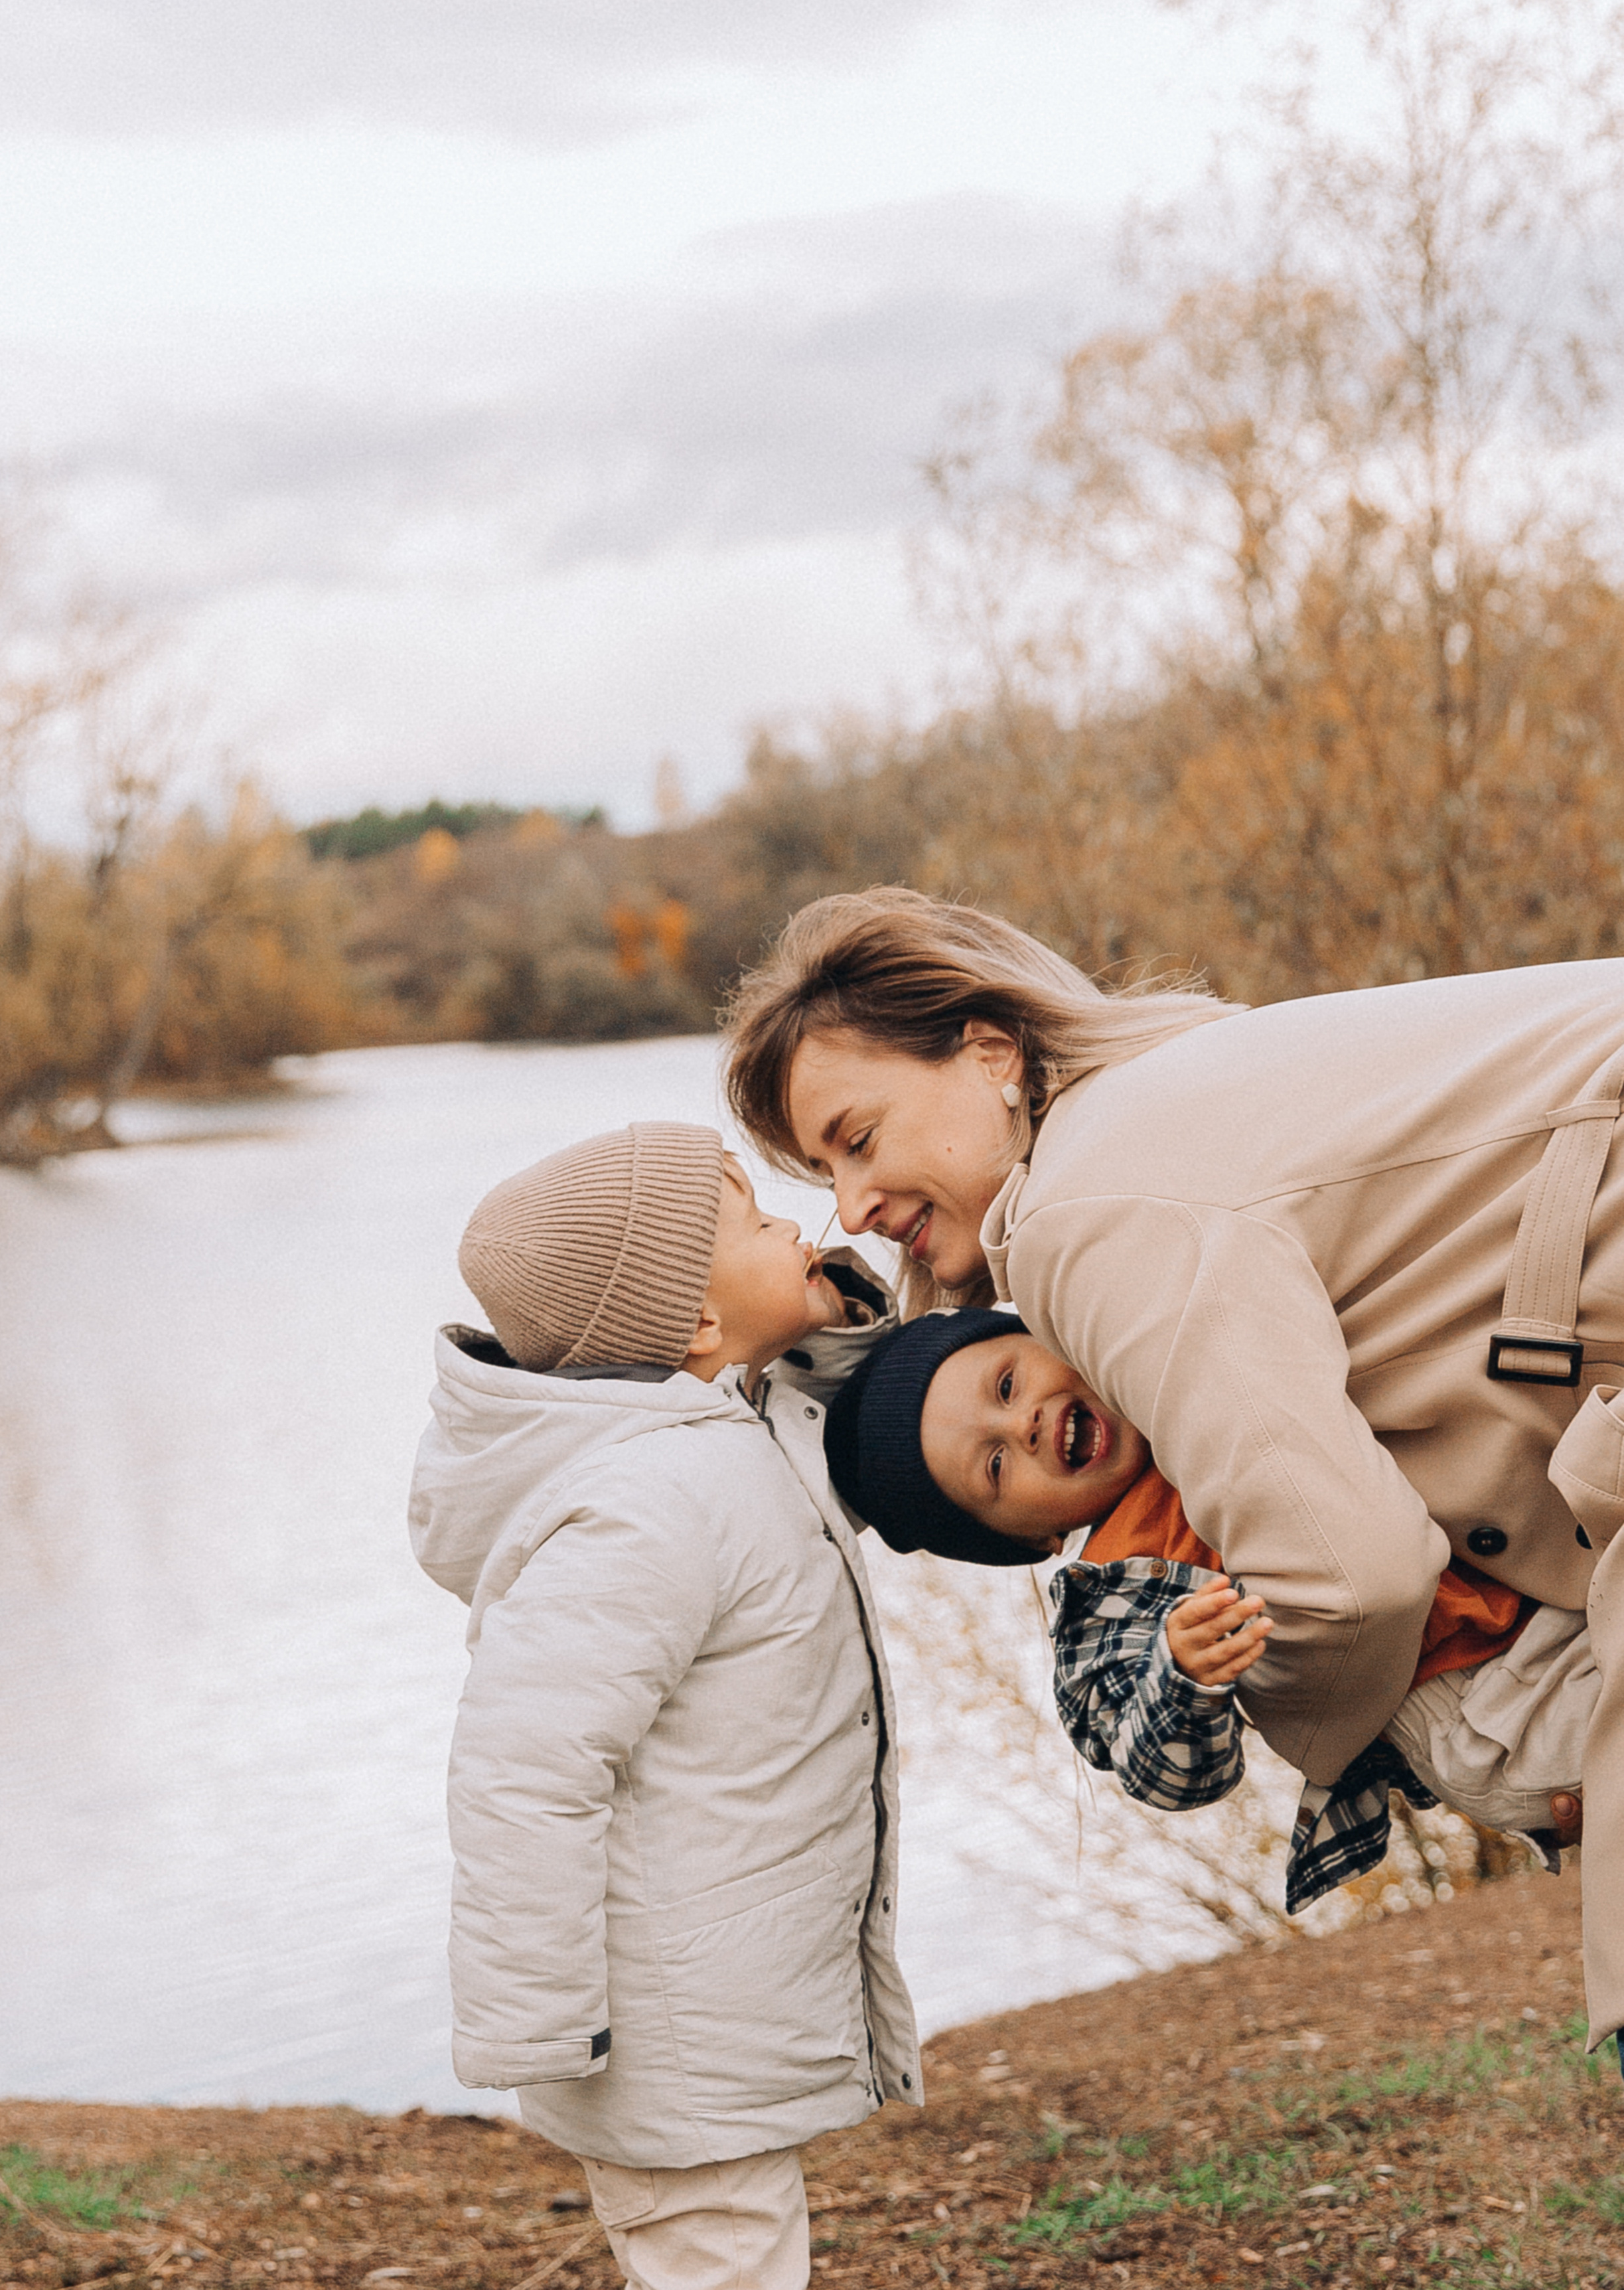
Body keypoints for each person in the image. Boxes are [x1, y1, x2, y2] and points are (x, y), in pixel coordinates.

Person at [723, 888, 1624, 2053]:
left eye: (858, 1140)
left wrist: (1336, 1734)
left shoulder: (1087, 1211)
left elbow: (1355, 1584)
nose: (851, 1206)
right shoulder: (1166, 1092)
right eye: (822, 1176)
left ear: (991, 1054)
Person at [408, 1120, 919, 2290]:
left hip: (720, 2005)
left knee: (740, 2253)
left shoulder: (718, 1431)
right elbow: (525, 1769)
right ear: (694, 1327)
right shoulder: (645, 1504)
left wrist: (829, 1308)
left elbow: (838, 1408)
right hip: (659, 2032)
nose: (794, 1224)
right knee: (728, 2262)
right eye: (755, 1223)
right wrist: (539, 2022)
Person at [822, 1304, 1595, 1912]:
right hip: (1478, 1709)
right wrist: (1180, 1673)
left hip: (1534, 1609)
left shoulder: (1196, 1390)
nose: (1019, 1425)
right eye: (993, 1466)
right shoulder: (1112, 1593)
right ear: (1032, 1540)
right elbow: (1161, 1772)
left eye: (1006, 1384)